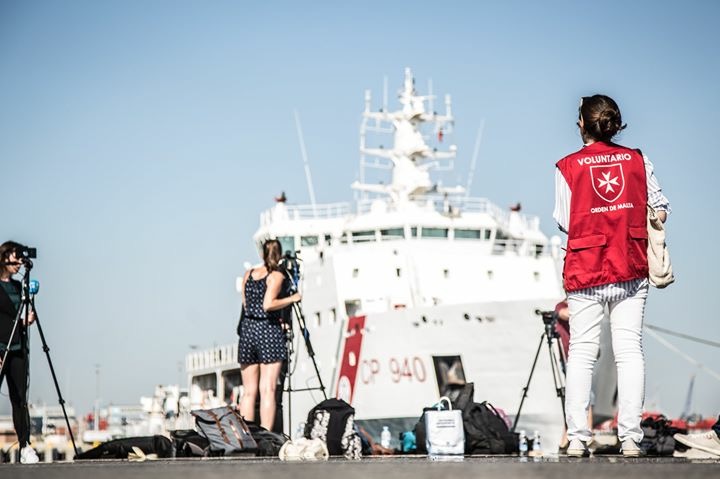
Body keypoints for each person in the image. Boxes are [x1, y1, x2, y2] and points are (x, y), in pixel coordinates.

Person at [553, 95, 671, 458]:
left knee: (583, 354)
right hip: (630, 266)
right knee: (629, 351)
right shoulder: (638, 159)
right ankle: (631, 439)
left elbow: (563, 220)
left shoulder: (567, 166)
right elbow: (661, 209)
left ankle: (576, 438)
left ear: (582, 126)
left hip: (587, 267)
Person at [238, 238, 301, 431]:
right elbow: (268, 304)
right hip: (268, 331)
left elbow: (246, 305)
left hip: (248, 330)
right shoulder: (276, 276)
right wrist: (293, 298)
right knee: (268, 389)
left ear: (263, 254)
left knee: (249, 392)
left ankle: (247, 435)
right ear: (279, 254)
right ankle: (265, 435)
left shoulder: (248, 274)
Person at [0, 241, 39, 464]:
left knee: (20, 400)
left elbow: (17, 319)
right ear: (4, 258)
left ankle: (25, 445)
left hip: (18, 349)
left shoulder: (18, 286)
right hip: (1, 347)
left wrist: (26, 321)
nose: (18, 263)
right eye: (15, 258)